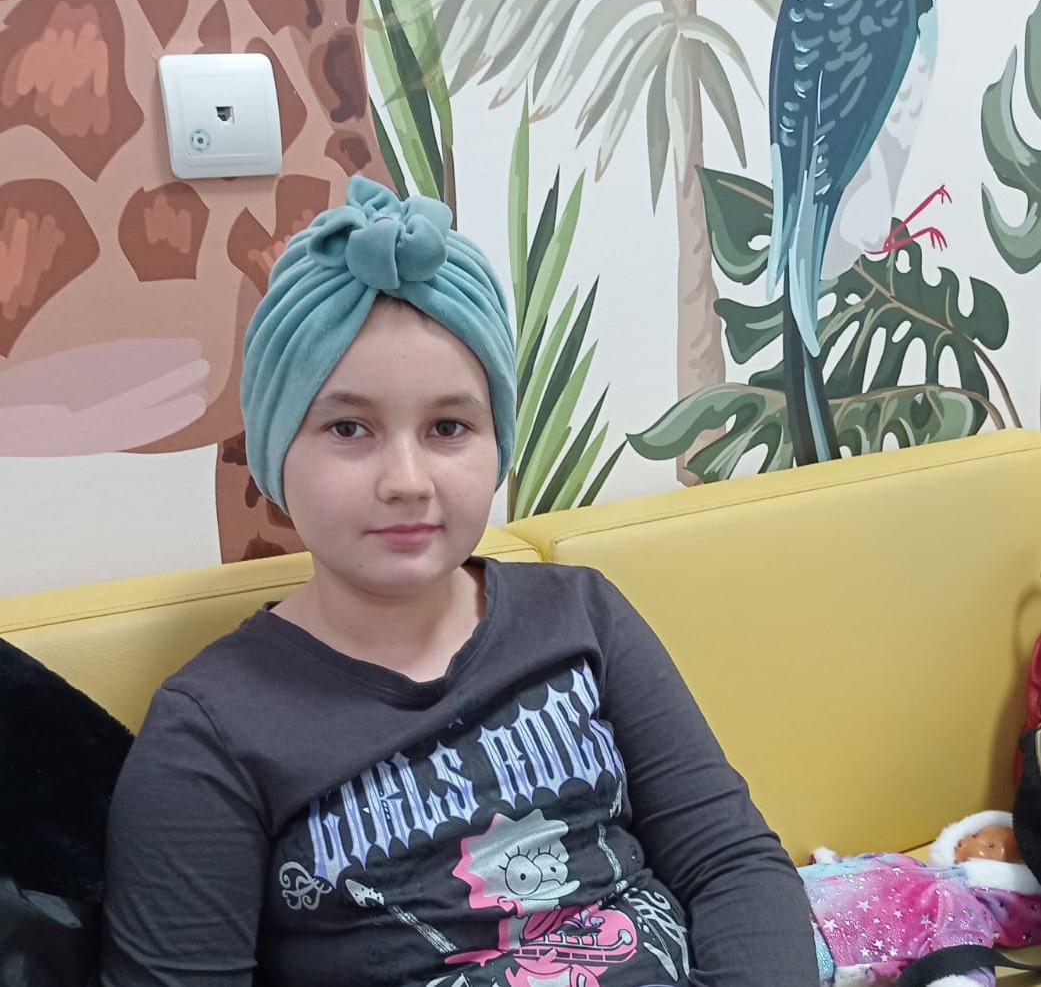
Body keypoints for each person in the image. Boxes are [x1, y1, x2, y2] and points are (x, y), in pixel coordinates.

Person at [100, 176, 818, 987]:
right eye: (348, 427)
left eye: (448, 427)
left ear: (495, 444)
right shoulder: (209, 732)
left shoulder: (582, 614)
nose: (406, 481)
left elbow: (729, 863)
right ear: (276, 453)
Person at [801, 810, 1041, 986]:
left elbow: (964, 960)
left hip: (835, 946)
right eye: (974, 834)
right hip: (803, 890)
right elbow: (867, 863)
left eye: (989, 845)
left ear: (1010, 876)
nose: (967, 839)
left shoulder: (965, 911)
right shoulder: (910, 862)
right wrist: (831, 863)